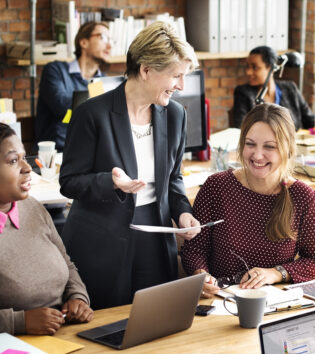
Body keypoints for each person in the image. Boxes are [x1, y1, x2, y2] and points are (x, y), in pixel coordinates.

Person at [59, 22, 201, 310]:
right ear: (146, 70)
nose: (182, 86)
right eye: (176, 76)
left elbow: (173, 177)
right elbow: (69, 181)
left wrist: (183, 212)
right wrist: (109, 182)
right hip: (101, 239)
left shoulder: (175, 115)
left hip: (155, 235)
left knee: (154, 320)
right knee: (104, 326)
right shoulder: (91, 113)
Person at [181, 103, 315, 298]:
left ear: (287, 149)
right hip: (220, 300)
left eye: (269, 147)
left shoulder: (303, 197)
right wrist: (201, 276)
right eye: (250, 144)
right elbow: (194, 250)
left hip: (274, 303)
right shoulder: (216, 186)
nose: (257, 155)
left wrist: (276, 273)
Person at [0, 123, 92, 335]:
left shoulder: (32, 207)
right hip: (15, 350)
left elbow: (67, 265)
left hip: (64, 334)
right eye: (14, 161)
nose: (27, 167)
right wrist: (20, 321)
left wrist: (77, 298)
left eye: (24, 157)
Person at [35, 21, 111, 151]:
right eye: (102, 37)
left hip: (91, 152)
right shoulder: (55, 70)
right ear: (84, 42)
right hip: (57, 153)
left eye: (111, 40)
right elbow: (63, 109)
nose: (109, 45)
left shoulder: (103, 80)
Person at [232, 46, 315, 130]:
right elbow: (241, 129)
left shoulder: (290, 88)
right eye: (247, 67)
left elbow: (310, 121)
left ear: (271, 68)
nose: (248, 72)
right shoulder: (242, 93)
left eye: (255, 67)